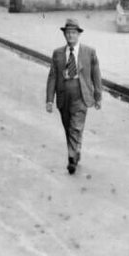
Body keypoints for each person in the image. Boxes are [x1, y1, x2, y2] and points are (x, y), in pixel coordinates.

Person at [45, 18, 102, 174]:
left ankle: (71, 158)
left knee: (76, 127)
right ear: (65, 35)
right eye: (68, 33)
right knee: (68, 126)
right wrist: (49, 100)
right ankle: (76, 151)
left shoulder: (89, 52)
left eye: (73, 33)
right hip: (63, 95)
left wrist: (98, 97)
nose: (70, 36)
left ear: (78, 35)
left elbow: (96, 75)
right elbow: (52, 76)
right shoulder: (57, 53)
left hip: (81, 94)